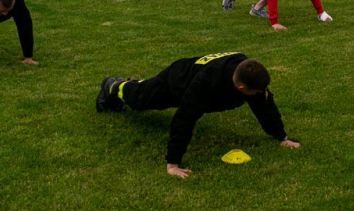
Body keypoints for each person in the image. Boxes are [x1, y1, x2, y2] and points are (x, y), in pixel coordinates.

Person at [94, 53, 299, 179]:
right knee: (139, 100)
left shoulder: (248, 72)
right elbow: (184, 119)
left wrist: (282, 137)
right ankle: (112, 85)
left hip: (192, 76)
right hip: (176, 81)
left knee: (145, 90)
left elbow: (264, 106)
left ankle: (139, 85)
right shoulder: (206, 85)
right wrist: (173, 164)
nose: (260, 94)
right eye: (255, 92)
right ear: (241, 88)